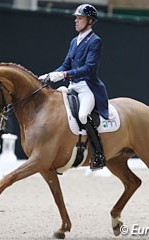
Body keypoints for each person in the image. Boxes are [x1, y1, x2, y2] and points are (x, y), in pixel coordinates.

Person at [39, 4, 109, 171]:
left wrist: (63, 76)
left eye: (80, 18)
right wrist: (49, 75)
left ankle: (99, 154)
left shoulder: (95, 41)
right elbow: (66, 64)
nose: (76, 21)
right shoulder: (74, 41)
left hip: (87, 87)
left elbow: (89, 68)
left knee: (83, 115)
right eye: (76, 18)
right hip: (72, 86)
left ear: (90, 21)